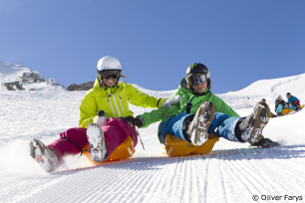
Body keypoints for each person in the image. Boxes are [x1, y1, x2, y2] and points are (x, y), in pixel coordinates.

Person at [28, 56, 178, 172]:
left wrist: (161, 103)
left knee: (114, 123)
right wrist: (96, 119)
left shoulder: (125, 89)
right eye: (107, 75)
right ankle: (52, 156)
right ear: (100, 75)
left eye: (114, 74)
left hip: (126, 131)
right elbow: (83, 120)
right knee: (76, 132)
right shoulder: (91, 96)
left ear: (119, 75)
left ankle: (102, 147)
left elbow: (144, 99)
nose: (111, 78)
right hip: (99, 133)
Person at [124, 63, 279, 149]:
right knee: (178, 117)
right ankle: (193, 128)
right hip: (170, 130)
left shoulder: (212, 100)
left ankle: (243, 132)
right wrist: (141, 120)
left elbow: (231, 114)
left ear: (208, 79)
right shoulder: (179, 97)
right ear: (188, 83)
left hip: (201, 130)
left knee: (218, 118)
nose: (198, 83)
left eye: (201, 79)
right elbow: (159, 113)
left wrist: (257, 139)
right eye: (193, 80)